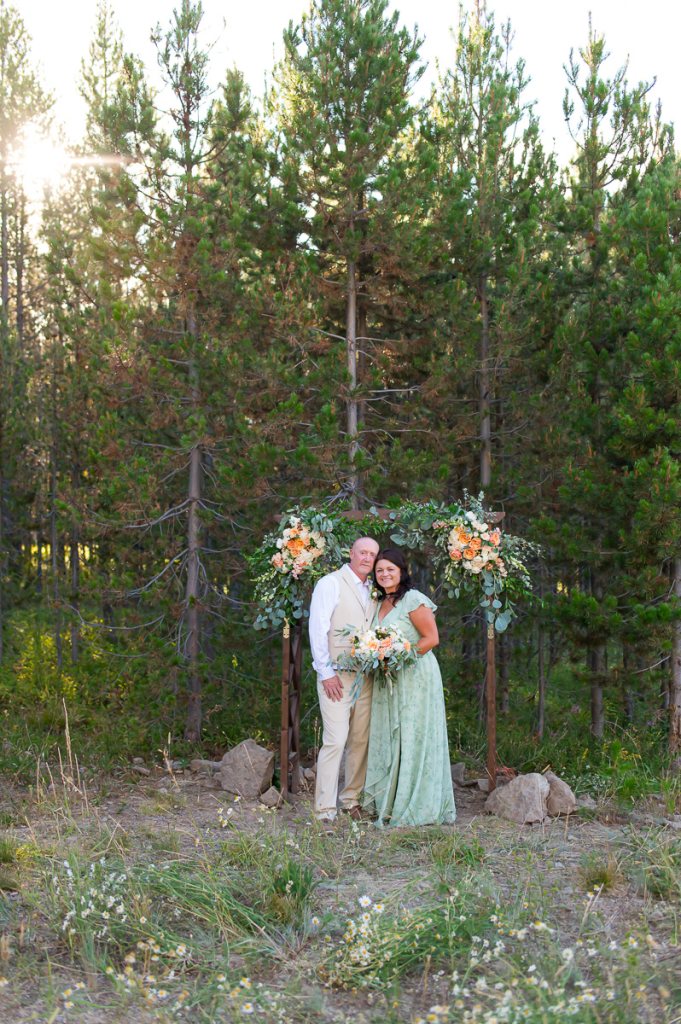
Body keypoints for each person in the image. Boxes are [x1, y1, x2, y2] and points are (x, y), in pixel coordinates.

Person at [363, 547, 456, 827]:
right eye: (379, 570)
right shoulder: (378, 601)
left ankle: (416, 804)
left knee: (414, 735)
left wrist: (398, 658)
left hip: (415, 676)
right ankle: (389, 801)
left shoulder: (413, 599)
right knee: (392, 737)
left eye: (390, 569)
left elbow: (431, 638)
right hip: (388, 678)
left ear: (402, 572)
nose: (384, 574)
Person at [308, 537, 380, 824]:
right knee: (335, 741)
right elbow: (318, 628)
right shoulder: (330, 583)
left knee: (360, 741)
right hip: (336, 676)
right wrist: (325, 672)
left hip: (366, 676)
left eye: (372, 554)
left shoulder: (374, 589)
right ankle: (324, 810)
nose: (367, 558)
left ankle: (351, 801)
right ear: (351, 553)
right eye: (363, 552)